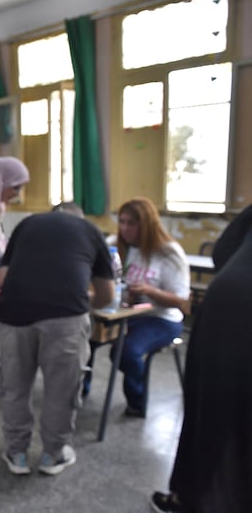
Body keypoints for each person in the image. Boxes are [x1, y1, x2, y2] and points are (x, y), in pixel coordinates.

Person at [0, 202, 114, 475]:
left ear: (52, 212)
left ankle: (17, 454)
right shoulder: (91, 230)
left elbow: (3, 277)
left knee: (15, 386)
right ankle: (53, 455)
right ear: (79, 216)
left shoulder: (27, 224)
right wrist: (82, 297)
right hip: (65, 317)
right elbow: (106, 295)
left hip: (14, 313)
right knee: (61, 390)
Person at [151, 204, 252, 513]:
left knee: (213, 411)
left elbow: (222, 253)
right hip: (234, 309)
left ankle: (193, 496)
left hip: (231, 311)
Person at [113, 197, 190, 417]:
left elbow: (180, 300)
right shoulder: (122, 247)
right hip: (130, 313)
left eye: (131, 223)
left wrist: (150, 290)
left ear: (146, 225)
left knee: (127, 351)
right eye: (122, 222)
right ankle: (80, 393)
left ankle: (137, 402)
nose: (124, 229)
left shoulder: (169, 252)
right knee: (90, 338)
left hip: (163, 318)